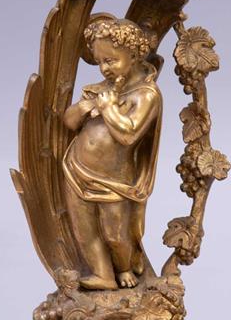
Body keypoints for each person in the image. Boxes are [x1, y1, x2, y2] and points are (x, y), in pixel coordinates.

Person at [63, 18, 162, 290]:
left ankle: (124, 268)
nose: (104, 68)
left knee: (115, 234)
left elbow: (129, 134)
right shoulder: (100, 89)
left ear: (134, 55)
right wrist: (82, 109)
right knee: (84, 229)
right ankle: (103, 274)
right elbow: (69, 122)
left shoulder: (146, 95)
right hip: (77, 169)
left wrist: (107, 109)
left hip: (114, 181)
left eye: (111, 60)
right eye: (99, 62)